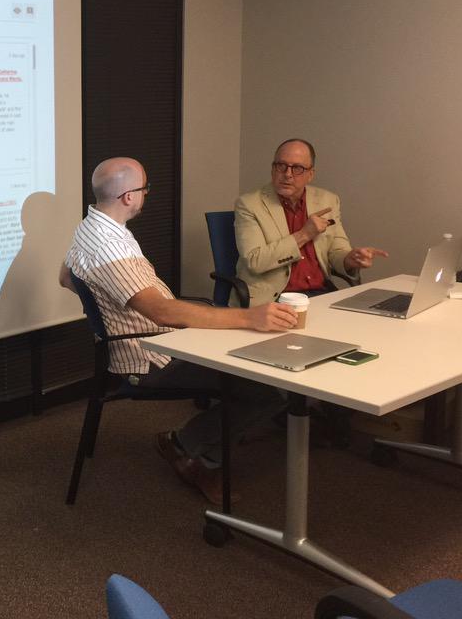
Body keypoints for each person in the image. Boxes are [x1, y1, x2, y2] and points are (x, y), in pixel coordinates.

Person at [59, 157, 296, 505]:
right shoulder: (110, 247)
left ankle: (192, 444)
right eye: (145, 190)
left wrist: (106, 310)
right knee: (269, 388)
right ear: (129, 197)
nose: (146, 195)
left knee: (257, 360)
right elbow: (162, 312)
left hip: (155, 338)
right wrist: (249, 318)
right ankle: (190, 450)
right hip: (152, 356)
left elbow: (66, 278)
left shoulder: (92, 225)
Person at [234, 138, 388, 307]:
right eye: (281, 166)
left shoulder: (327, 201)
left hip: (321, 294)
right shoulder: (250, 204)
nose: (287, 174)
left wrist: (350, 260)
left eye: (297, 168)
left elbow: (337, 251)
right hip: (277, 298)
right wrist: (304, 234)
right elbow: (255, 261)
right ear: (273, 169)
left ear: (310, 174)